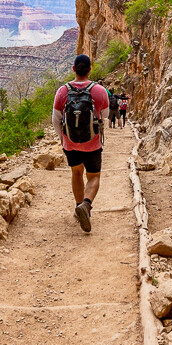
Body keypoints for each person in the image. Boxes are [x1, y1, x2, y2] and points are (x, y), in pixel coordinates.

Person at [52, 54, 110, 232]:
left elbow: (56, 119)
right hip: (92, 144)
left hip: (71, 143)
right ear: (90, 69)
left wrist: (64, 140)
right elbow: (105, 116)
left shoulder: (63, 91)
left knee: (76, 173)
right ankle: (86, 205)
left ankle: (79, 206)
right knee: (93, 176)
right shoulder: (99, 90)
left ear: (74, 69)